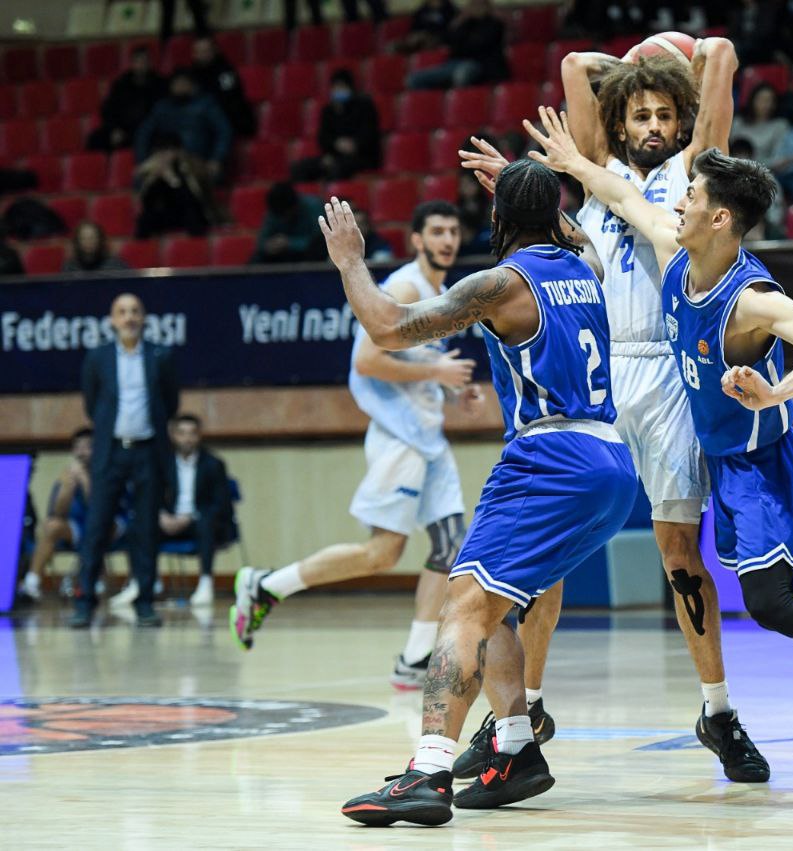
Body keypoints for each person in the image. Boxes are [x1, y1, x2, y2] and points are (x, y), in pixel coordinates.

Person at [530, 108, 793, 772]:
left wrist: (776, 391)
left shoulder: (750, 298)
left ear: (720, 218)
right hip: (722, 458)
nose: (681, 200)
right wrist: (573, 163)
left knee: (771, 603)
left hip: (759, 464)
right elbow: (623, 196)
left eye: (693, 195)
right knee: (765, 602)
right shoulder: (677, 251)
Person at [464, 38, 765, 785]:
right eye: (641, 113)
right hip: (595, 383)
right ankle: (527, 707)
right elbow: (572, 67)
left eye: (666, 112)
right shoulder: (590, 185)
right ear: (620, 122)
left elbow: (722, 54)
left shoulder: (695, 176)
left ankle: (717, 709)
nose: (654, 124)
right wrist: (636, 66)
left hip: (666, 370)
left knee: (678, 553)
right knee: (547, 557)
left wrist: (671, 59)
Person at [334, 162, 637, 825]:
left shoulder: (500, 282)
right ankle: (516, 749)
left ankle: (429, 770)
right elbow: (581, 238)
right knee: (493, 605)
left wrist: (351, 262)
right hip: (613, 461)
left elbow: (386, 326)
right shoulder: (585, 269)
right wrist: (530, 191)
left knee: (461, 605)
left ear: (496, 221)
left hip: (549, 459)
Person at [231, 202, 486, 699]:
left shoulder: (436, 291)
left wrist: (454, 388)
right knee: (381, 554)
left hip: (427, 439)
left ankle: (413, 660)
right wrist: (436, 373)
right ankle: (266, 585)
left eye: (454, 230)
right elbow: (368, 360)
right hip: (400, 440)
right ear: (416, 240)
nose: (447, 239)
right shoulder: (407, 286)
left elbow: (416, 362)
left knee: (450, 546)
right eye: (436, 231)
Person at [71, 293, 179, 628]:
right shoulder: (98, 358)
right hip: (111, 452)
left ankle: (144, 601)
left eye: (134, 311)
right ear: (112, 320)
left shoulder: (160, 356)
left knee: (146, 530)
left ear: (143, 318)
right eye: (122, 312)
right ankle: (85, 602)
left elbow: (170, 403)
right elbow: (93, 405)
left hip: (148, 450)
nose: (129, 317)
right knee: (96, 528)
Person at [19, 428, 130, 602]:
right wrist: (67, 488)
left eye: (87, 447)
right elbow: (57, 513)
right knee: (51, 526)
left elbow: (100, 511)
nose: (81, 452)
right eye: (77, 447)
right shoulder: (68, 474)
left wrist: (85, 480)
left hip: (111, 527)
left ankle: (95, 577)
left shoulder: (109, 471)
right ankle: (31, 583)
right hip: (78, 527)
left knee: (101, 526)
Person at [160, 414, 234, 607]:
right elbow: (152, 497)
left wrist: (190, 517)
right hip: (169, 521)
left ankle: (205, 582)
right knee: (140, 524)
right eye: (182, 433)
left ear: (200, 436)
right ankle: (142, 582)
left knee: (206, 522)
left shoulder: (213, 464)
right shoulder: (163, 463)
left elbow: (221, 504)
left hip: (199, 521)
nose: (187, 438)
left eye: (192, 433)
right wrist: (162, 516)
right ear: (173, 435)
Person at [134, 69, 233, 181]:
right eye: (176, 84)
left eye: (183, 83)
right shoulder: (162, 108)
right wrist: (142, 160)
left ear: (192, 86)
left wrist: (217, 159)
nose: (180, 87)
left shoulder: (206, 105)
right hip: (165, 160)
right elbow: (143, 133)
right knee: (144, 176)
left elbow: (224, 131)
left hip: (196, 160)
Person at [291, 70, 383, 182]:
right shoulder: (328, 111)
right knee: (299, 168)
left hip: (362, 157)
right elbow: (323, 137)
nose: (338, 90)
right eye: (335, 87)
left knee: (337, 169)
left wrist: (354, 144)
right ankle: (309, 198)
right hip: (335, 156)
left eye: (341, 87)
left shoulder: (365, 106)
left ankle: (333, 197)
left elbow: (370, 134)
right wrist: (335, 146)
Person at [134, 131, 220, 239]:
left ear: (177, 151)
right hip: (170, 213)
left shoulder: (192, 166)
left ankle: (197, 246)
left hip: (194, 212)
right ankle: (142, 251)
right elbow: (147, 202)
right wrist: (155, 180)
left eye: (167, 151)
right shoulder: (154, 170)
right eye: (160, 152)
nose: (163, 156)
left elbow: (193, 199)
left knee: (192, 214)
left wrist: (172, 179)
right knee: (145, 219)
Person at [406, 0, 507, 90]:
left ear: (487, 6)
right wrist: (457, 24)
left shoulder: (494, 24)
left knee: (461, 75)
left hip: (479, 64)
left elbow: (478, 45)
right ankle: (438, 104)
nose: (475, 6)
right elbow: (449, 40)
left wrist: (461, 44)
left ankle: (454, 102)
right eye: (473, 3)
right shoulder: (464, 23)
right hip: (453, 63)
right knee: (414, 79)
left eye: (479, 3)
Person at [88, 45, 167, 153]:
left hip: (150, 129)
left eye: (145, 61)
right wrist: (114, 129)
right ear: (132, 64)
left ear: (150, 63)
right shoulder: (121, 84)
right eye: (138, 61)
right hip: (123, 129)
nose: (141, 64)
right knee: (95, 139)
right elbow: (108, 109)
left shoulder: (160, 83)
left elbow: (162, 111)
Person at [190, 36, 257, 139]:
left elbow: (230, 97)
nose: (203, 55)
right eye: (199, 51)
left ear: (215, 50)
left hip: (228, 116)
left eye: (206, 51)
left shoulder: (226, 71)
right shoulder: (191, 73)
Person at [252, 182, 328, 264]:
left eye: (285, 214)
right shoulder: (274, 212)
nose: (283, 219)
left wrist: (289, 243)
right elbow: (262, 242)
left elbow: (321, 242)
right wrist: (268, 246)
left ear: (295, 206)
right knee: (258, 258)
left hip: (310, 255)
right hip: (283, 256)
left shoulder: (313, 206)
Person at [730, 84, 788, 168]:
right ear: (752, 100)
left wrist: (750, 165)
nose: (766, 104)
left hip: (763, 173)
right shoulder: (738, 122)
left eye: (770, 100)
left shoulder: (780, 125)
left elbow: (778, 160)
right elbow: (729, 152)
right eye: (762, 100)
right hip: (734, 169)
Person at [63, 222, 128, 272]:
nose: (88, 241)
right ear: (77, 242)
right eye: (83, 238)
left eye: (92, 237)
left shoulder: (115, 264)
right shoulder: (70, 267)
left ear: (100, 240)